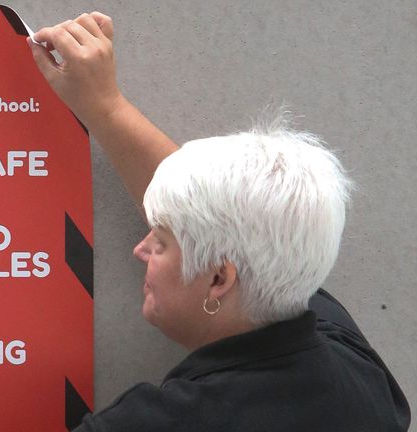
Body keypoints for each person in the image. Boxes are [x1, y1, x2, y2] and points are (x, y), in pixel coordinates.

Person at [27, 12, 411, 431]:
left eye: (161, 241)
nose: (141, 248)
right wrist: (105, 107)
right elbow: (239, 217)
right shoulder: (356, 375)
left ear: (218, 279)